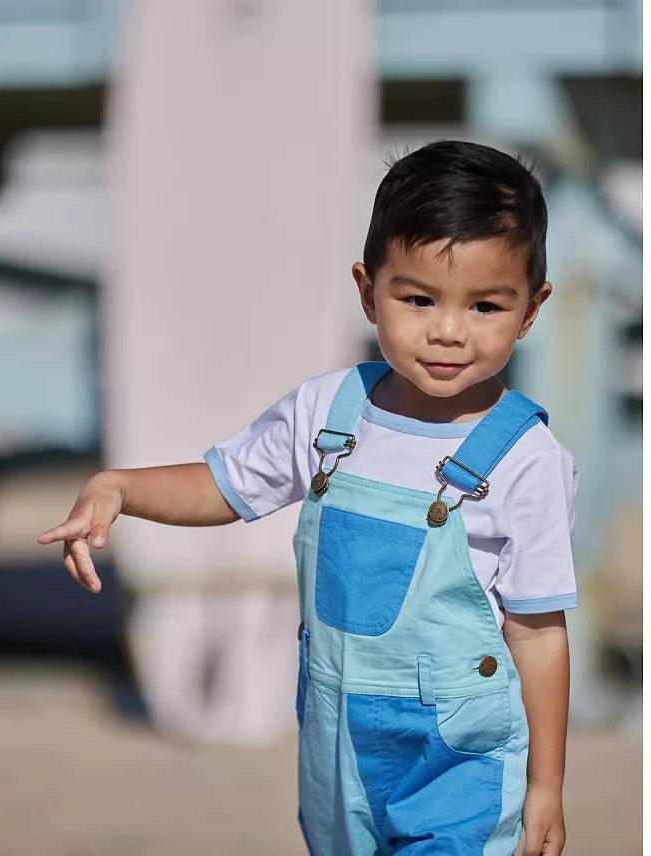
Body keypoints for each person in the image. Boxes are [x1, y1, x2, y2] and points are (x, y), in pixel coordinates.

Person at [38, 140, 578, 856]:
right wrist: (121, 488)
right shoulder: (329, 413)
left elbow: (538, 632)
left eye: (485, 305)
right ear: (367, 290)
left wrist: (545, 787)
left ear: (532, 308)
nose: (448, 330)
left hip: (461, 765)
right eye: (416, 299)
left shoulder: (526, 458)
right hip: (337, 752)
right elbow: (224, 485)